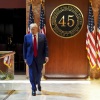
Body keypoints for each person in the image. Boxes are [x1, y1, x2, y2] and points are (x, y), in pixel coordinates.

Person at [23, 23, 49, 96]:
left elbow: (46, 47)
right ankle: (33, 89)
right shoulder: (26, 37)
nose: (32, 31)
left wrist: (46, 56)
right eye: (31, 29)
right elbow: (24, 48)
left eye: (33, 29)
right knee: (31, 73)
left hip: (40, 57)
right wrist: (25, 58)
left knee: (38, 73)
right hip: (30, 58)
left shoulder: (42, 36)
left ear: (37, 29)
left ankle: (38, 83)